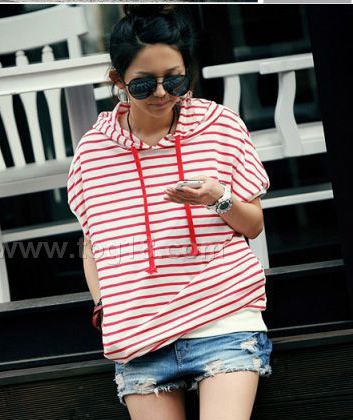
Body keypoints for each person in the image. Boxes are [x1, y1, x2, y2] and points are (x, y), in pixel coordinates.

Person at [67, 5, 273, 420]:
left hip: (223, 320)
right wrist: (105, 306)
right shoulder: (93, 152)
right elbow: (93, 243)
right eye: (144, 84)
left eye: (175, 79)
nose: (162, 93)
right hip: (139, 339)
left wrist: (218, 197)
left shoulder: (221, 127)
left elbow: (254, 225)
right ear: (118, 80)